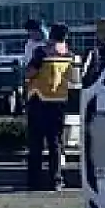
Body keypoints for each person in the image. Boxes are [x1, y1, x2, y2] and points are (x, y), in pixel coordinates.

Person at [24, 22, 75, 191]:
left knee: (36, 143)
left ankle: (34, 180)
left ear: (51, 35)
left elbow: (30, 72)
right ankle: (56, 179)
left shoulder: (42, 52)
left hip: (39, 100)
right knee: (55, 143)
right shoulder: (68, 54)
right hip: (59, 101)